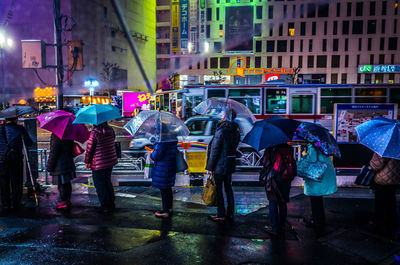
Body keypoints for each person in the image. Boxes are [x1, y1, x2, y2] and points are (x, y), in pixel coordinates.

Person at [206, 110, 241, 222]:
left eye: (222, 114)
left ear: (225, 117)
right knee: (228, 189)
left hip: (219, 165)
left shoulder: (221, 131)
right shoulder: (235, 131)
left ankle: (220, 214)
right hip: (230, 164)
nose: (221, 116)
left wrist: (210, 167)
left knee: (219, 190)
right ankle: (230, 213)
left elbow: (215, 150)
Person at [261, 144, 296, 236]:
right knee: (283, 203)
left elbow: (265, 162)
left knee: (273, 202)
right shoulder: (289, 148)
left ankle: (274, 227)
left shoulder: (271, 148)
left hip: (274, 180)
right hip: (286, 180)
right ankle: (282, 226)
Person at [302, 143, 337, 235]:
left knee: (315, 199)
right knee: (318, 199)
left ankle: (317, 222)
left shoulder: (312, 145)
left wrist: (305, 154)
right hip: (323, 174)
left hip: (317, 176)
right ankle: (320, 220)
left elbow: (312, 159)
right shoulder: (324, 145)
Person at [0, 117, 33, 212]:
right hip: (15, 159)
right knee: (16, 182)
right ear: (16, 119)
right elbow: (29, 142)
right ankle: (16, 203)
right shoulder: (19, 128)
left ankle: (6, 204)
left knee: (3, 183)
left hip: (2, 159)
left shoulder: (0, 128)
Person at [85, 122, 118, 213]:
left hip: (98, 162)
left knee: (99, 184)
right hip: (109, 160)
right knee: (107, 181)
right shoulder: (110, 130)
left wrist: (87, 161)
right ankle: (111, 202)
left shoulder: (94, 133)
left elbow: (90, 149)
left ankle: (105, 205)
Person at [369, 152, 400, 238]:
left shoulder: (383, 147)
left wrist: (371, 163)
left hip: (382, 180)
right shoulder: (397, 146)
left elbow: (376, 165)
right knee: (391, 203)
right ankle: (392, 227)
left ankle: (381, 227)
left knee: (381, 205)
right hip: (394, 179)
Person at [150, 130, 178, 219]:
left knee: (164, 190)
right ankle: (169, 208)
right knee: (168, 189)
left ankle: (165, 211)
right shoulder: (172, 139)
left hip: (163, 168)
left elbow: (157, 156)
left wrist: (152, 153)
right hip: (170, 166)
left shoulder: (162, 141)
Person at [46, 133, 76, 210]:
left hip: (60, 164)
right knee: (67, 183)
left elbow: (54, 152)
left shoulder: (56, 135)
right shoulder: (69, 134)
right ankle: (67, 201)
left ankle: (64, 202)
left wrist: (49, 166)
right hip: (68, 162)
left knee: (62, 184)